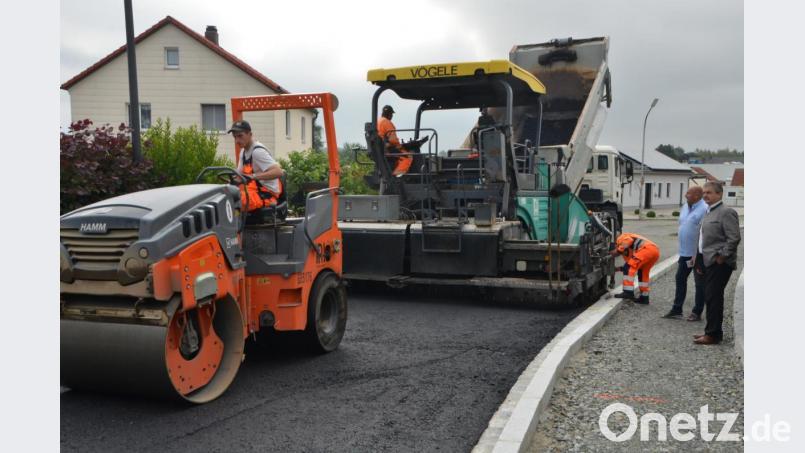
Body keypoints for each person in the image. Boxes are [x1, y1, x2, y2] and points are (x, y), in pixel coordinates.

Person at [693, 181, 741, 345]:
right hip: (706, 261)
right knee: (709, 297)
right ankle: (711, 330)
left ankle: (712, 335)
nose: (705, 195)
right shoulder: (708, 211)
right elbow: (702, 239)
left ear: (719, 194)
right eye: (704, 192)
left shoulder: (726, 212)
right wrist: (698, 260)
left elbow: (734, 238)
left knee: (714, 297)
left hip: (719, 263)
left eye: (709, 193)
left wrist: (722, 257)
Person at [662, 186, 708, 320]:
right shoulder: (685, 206)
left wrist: (697, 253)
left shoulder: (704, 208)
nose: (685, 195)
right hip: (684, 252)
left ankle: (697, 312)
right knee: (680, 278)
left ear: (697, 195)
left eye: (689, 193)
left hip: (698, 253)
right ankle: (677, 309)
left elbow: (704, 232)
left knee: (699, 283)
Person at [227, 120, 284, 212]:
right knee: (223, 195)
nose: (237, 140)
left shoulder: (257, 152)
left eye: (240, 136)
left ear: (250, 134)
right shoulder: (243, 152)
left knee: (232, 201)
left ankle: (234, 225)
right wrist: (231, 181)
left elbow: (278, 172)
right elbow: (239, 175)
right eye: (235, 137)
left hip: (267, 195)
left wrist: (252, 176)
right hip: (254, 191)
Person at [610, 233, 660, 305]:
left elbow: (629, 240)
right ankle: (644, 298)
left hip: (646, 249)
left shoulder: (620, 238)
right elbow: (629, 267)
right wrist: (618, 269)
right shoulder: (628, 253)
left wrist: (618, 251)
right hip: (654, 251)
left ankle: (628, 292)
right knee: (642, 274)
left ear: (616, 245)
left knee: (629, 267)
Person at [377, 105, 412, 176]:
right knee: (408, 157)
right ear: (389, 114)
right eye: (392, 114)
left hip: (380, 148)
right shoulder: (387, 122)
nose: (392, 116)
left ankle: (393, 173)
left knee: (399, 156)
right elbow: (393, 140)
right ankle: (397, 176)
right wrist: (400, 146)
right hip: (387, 149)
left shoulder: (378, 121)